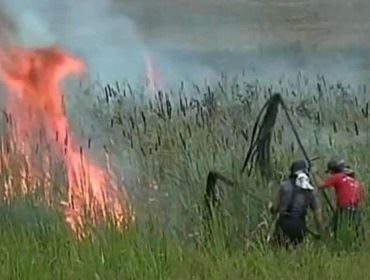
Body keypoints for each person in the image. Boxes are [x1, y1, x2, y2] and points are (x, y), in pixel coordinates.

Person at [270, 160, 325, 247]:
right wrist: (322, 233)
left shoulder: (284, 186)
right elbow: (317, 216)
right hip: (299, 225)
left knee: (277, 250)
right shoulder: (309, 190)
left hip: (283, 223)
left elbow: (274, 208)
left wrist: (272, 209)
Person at [314, 157, 365, 243]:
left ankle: (335, 246)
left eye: (330, 172)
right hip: (356, 210)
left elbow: (320, 185)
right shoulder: (356, 182)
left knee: (335, 230)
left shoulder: (338, 177)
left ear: (334, 170)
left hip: (344, 209)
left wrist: (314, 173)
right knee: (354, 231)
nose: (330, 174)